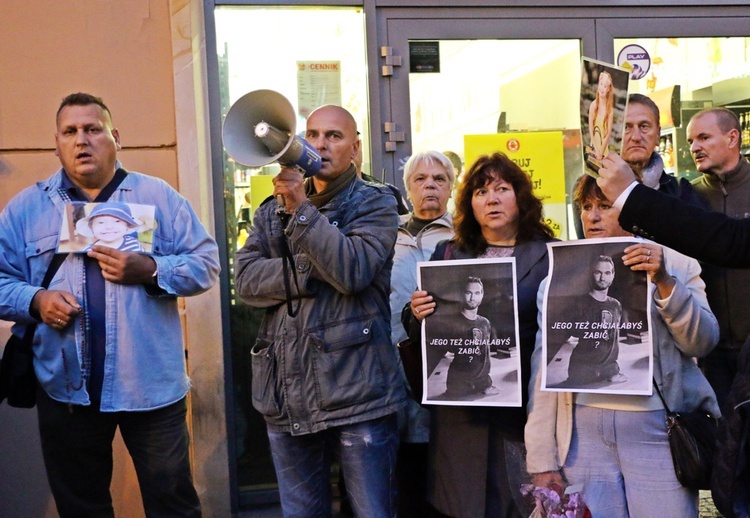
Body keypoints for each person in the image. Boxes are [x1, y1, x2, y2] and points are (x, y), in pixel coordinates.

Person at [0, 92, 220, 517]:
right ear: (57, 143)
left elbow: (206, 264)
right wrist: (36, 299)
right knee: (82, 508)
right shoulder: (27, 208)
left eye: (93, 129)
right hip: (65, 390)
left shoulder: (158, 196)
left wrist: (151, 269)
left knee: (173, 504)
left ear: (115, 137)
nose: (82, 140)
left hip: (151, 388)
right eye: (70, 132)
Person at [234, 104, 406, 518]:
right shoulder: (269, 209)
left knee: (372, 511)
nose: (321, 145)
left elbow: (352, 270)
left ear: (355, 148)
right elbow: (245, 282)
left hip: (357, 388)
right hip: (287, 390)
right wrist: (310, 271)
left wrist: (301, 210)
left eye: (334, 136)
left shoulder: (376, 203)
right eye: (312, 135)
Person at [525, 174, 719, 517]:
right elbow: (544, 371)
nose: (593, 217)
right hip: (581, 437)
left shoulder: (674, 261)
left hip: (656, 430)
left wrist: (665, 283)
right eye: (586, 207)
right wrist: (541, 458)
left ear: (631, 209)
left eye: (605, 206)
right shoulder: (561, 276)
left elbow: (702, 342)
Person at [408, 152, 556, 518]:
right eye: (480, 191)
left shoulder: (550, 254)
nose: (491, 199)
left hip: (521, 409)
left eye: (502, 189)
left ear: (520, 197)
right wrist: (416, 312)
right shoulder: (448, 253)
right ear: (469, 203)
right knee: (461, 504)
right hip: (461, 415)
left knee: (521, 504)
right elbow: (424, 330)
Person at [390, 150, 455, 517]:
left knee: (443, 479)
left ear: (450, 188)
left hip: (448, 373)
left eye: (439, 179)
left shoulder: (465, 235)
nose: (430, 185)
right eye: (420, 179)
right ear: (408, 189)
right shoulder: (387, 235)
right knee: (403, 480)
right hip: (392, 371)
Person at [688, 107, 750, 407]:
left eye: (703, 137)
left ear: (732, 137)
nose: (694, 147)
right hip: (710, 353)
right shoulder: (688, 197)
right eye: (690, 141)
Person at [574, 93, 703, 238]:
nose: (636, 137)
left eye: (644, 126)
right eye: (626, 127)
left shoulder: (679, 190)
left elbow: (695, 244)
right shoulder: (590, 185)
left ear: (658, 134)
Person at [560, 255, 625, 386]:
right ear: (591, 274)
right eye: (598, 272)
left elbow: (612, 337)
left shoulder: (616, 304)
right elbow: (566, 334)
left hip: (610, 370)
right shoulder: (580, 304)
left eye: (607, 273)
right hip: (582, 371)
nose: (602, 278)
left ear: (613, 275)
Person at [434, 276, 501, 398]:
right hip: (459, 385)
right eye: (468, 293)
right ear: (462, 295)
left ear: (482, 294)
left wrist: (486, 383)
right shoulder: (452, 323)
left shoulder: (485, 322)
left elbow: (484, 354)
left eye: (476, 293)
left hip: (483, 383)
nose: (472, 297)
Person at [588, 70, 614, 161]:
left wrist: (601, 153)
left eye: (605, 86)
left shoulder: (610, 110)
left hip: (604, 152)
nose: (602, 88)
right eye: (601, 84)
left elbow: (607, 134)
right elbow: (591, 129)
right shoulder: (593, 105)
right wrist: (595, 148)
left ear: (608, 89)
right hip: (593, 148)